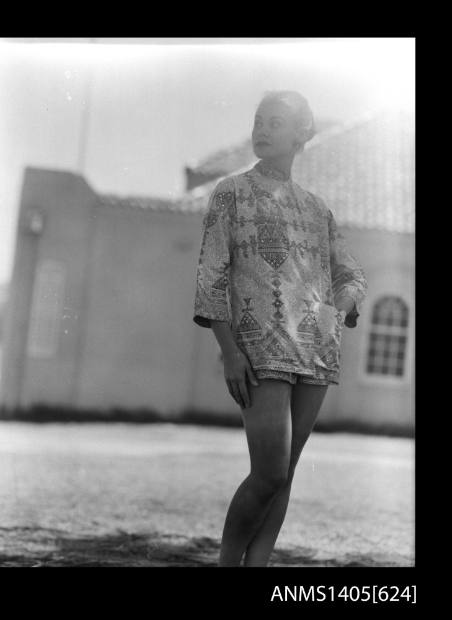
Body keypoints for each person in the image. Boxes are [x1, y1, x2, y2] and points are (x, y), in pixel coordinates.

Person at [192, 90, 368, 567]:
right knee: (268, 472)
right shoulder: (230, 192)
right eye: (258, 121)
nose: (262, 129)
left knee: (285, 473)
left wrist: (340, 307)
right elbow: (212, 273)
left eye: (275, 122)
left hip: (315, 351)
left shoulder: (316, 209)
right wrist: (228, 350)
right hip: (258, 348)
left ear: (301, 134)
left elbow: (351, 273)